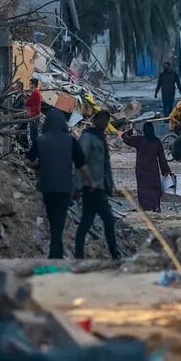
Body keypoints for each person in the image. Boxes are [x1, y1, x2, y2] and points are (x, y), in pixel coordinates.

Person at [33, 109, 86, 259]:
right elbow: (82, 165)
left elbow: (29, 160)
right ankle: (56, 251)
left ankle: (55, 251)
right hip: (65, 187)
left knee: (52, 218)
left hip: (47, 187)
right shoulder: (71, 141)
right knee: (60, 219)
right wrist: (87, 184)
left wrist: (39, 168)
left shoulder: (41, 140)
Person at [75, 111, 121, 260]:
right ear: (95, 121)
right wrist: (77, 186)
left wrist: (110, 185)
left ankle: (79, 254)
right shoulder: (88, 137)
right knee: (107, 219)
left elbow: (106, 166)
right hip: (91, 187)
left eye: (106, 121)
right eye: (102, 120)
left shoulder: (100, 138)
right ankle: (114, 254)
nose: (104, 123)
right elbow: (79, 161)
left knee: (87, 222)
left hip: (99, 187)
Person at [120, 122, 174, 212]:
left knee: (143, 189)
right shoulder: (157, 141)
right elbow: (162, 158)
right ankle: (156, 206)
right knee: (155, 188)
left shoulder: (139, 140)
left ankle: (144, 206)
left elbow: (125, 139)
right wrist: (166, 171)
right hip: (153, 169)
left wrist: (129, 132)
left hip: (141, 169)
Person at [25, 77, 43, 161]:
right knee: (33, 135)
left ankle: (35, 154)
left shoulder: (35, 93)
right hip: (34, 115)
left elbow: (28, 103)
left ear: (33, 85)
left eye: (30, 84)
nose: (29, 85)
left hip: (34, 116)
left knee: (33, 136)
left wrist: (27, 99)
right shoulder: (36, 92)